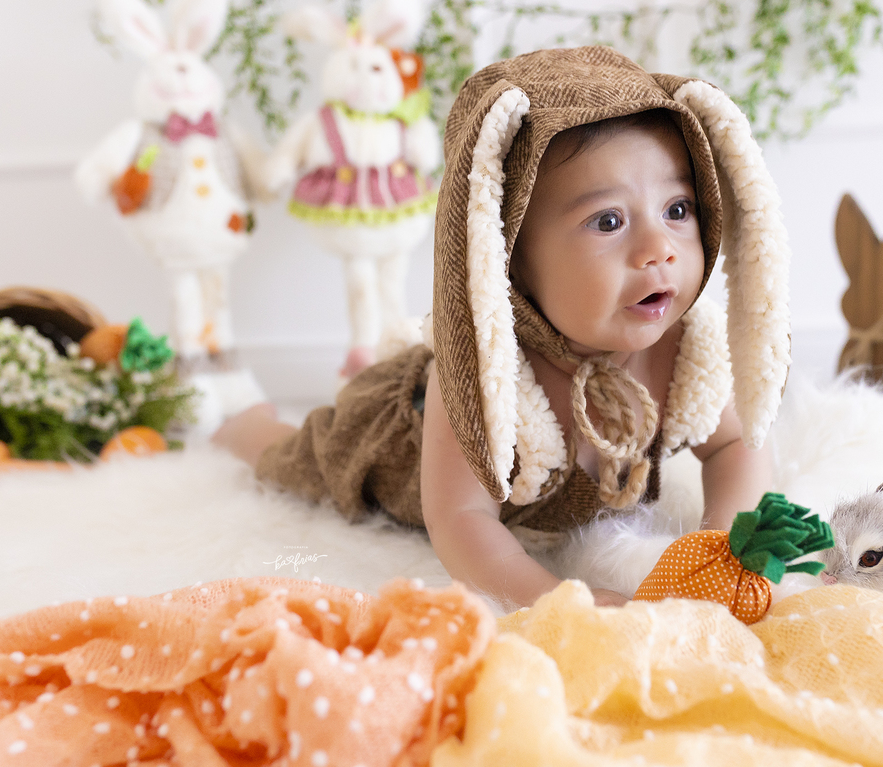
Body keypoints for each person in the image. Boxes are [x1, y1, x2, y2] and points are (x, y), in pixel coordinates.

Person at [213, 46, 792, 611]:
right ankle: (242, 425)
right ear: (509, 256)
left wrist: (723, 546)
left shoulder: (685, 353)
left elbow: (735, 445)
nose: (658, 249)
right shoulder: (483, 374)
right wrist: (560, 600)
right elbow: (460, 520)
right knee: (296, 457)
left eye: (677, 209)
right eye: (608, 221)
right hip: (394, 441)